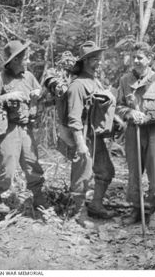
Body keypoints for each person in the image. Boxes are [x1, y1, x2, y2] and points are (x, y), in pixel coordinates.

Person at [0, 40, 47, 213]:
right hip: (8, 128)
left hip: (26, 128)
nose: (27, 61)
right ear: (15, 60)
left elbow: (40, 94)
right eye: (25, 58)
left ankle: (38, 197)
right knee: (8, 165)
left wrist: (37, 94)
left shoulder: (29, 76)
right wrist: (7, 96)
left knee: (32, 163)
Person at [116, 42, 155, 227]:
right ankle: (136, 209)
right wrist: (130, 114)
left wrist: (146, 118)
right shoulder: (125, 80)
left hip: (153, 131)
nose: (136, 61)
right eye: (134, 57)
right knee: (134, 172)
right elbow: (119, 106)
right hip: (132, 131)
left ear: (149, 59)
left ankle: (153, 210)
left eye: (140, 57)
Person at [66, 40, 116, 219]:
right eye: (95, 59)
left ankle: (95, 205)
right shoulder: (77, 85)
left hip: (96, 136)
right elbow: (74, 117)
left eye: (99, 58)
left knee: (106, 171)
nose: (99, 62)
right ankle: (79, 215)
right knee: (82, 176)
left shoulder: (95, 82)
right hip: (84, 137)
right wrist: (80, 144)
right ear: (86, 60)